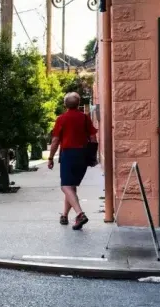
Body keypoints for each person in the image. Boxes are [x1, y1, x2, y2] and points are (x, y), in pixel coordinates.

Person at [48, 92, 98, 231]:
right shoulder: (85, 117)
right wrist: (92, 156)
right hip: (82, 154)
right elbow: (93, 137)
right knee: (71, 187)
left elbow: (55, 140)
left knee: (65, 187)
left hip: (68, 154)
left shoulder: (61, 119)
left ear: (65, 104)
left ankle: (80, 214)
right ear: (78, 103)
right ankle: (64, 215)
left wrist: (51, 157)